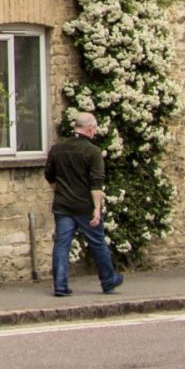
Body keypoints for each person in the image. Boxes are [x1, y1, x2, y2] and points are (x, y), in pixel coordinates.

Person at [46, 111, 124, 296]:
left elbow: (49, 175)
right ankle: (108, 281)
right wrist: (97, 208)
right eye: (94, 129)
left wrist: (59, 190)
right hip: (85, 207)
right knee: (98, 243)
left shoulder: (58, 149)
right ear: (89, 128)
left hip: (63, 205)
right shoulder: (92, 151)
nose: (95, 132)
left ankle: (60, 285)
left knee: (62, 244)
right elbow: (96, 183)